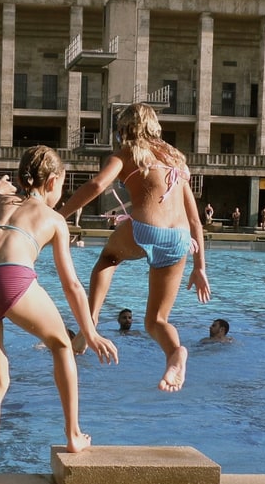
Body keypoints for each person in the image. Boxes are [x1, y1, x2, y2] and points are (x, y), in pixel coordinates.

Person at [0, 146, 118, 484]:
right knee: (61, 343)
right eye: (61, 184)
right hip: (10, 279)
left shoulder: (0, 201)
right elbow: (72, 284)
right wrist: (89, 331)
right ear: (53, 181)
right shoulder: (55, 219)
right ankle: (74, 434)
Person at [57, 103, 210, 392]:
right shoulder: (176, 160)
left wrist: (59, 215)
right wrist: (200, 267)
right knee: (156, 321)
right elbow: (194, 220)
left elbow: (97, 185)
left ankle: (89, 325)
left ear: (125, 128)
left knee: (108, 260)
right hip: (180, 239)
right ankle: (175, 353)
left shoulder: (127, 152)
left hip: (145, 228)